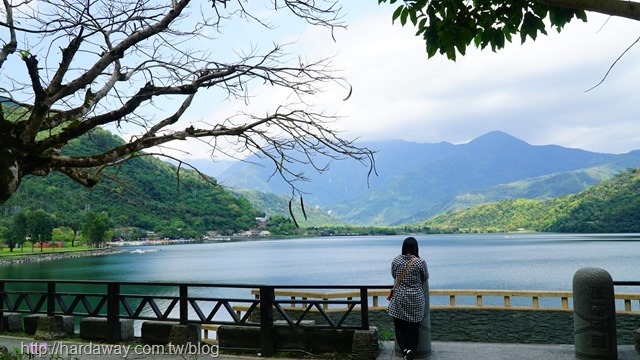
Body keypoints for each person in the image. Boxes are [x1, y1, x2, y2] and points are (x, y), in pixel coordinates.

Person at [387, 236, 429, 360]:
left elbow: (394, 276)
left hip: (399, 298)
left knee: (399, 327)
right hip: (416, 299)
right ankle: (410, 352)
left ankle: (405, 350)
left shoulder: (396, 260)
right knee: (413, 328)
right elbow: (425, 278)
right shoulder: (420, 262)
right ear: (416, 248)